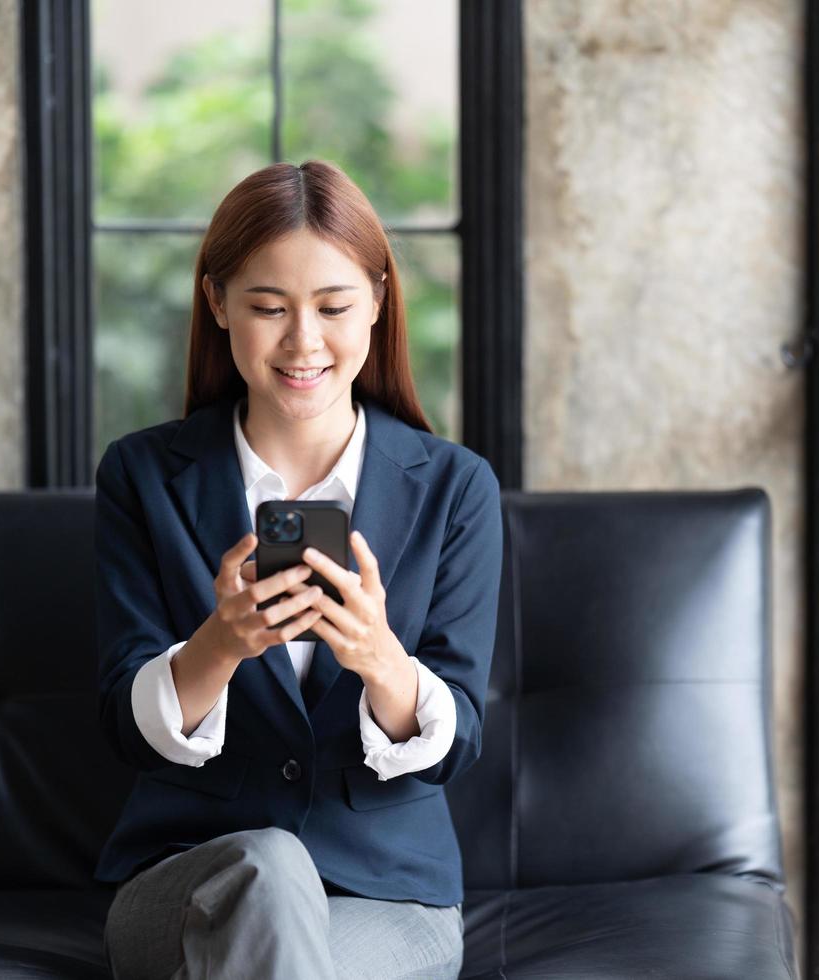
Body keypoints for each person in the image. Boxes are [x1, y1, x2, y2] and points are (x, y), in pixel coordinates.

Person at [92, 158, 502, 979]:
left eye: (335, 306)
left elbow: (457, 738)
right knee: (272, 871)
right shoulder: (141, 477)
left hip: (389, 901)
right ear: (216, 305)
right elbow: (122, 728)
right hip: (191, 881)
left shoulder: (454, 489)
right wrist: (219, 644)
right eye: (268, 308)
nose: (303, 341)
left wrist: (382, 663)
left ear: (380, 302)